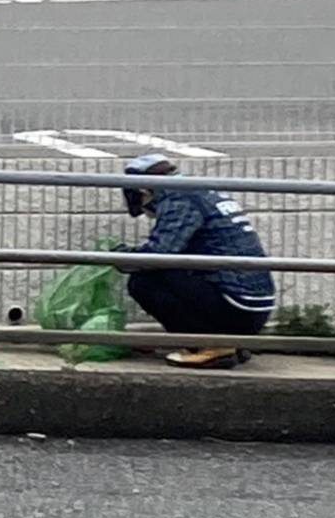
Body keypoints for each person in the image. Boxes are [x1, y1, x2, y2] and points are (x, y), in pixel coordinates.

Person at [116, 153, 275, 370]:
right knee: (170, 273)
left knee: (144, 282)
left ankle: (209, 346)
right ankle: (229, 343)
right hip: (253, 307)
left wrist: (121, 257)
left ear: (143, 191)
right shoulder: (201, 190)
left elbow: (159, 253)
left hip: (236, 307)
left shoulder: (179, 198)